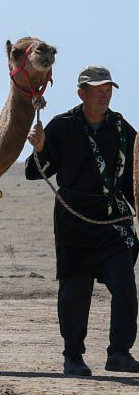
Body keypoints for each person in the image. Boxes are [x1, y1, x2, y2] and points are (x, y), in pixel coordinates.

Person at [26, 64, 138, 376]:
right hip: (73, 222)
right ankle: (73, 356)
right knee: (75, 292)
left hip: (112, 222)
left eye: (108, 90)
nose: (104, 95)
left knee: (126, 286)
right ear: (82, 93)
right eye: (98, 90)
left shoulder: (121, 127)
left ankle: (119, 353)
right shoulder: (62, 126)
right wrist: (38, 147)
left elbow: (133, 176)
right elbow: (36, 170)